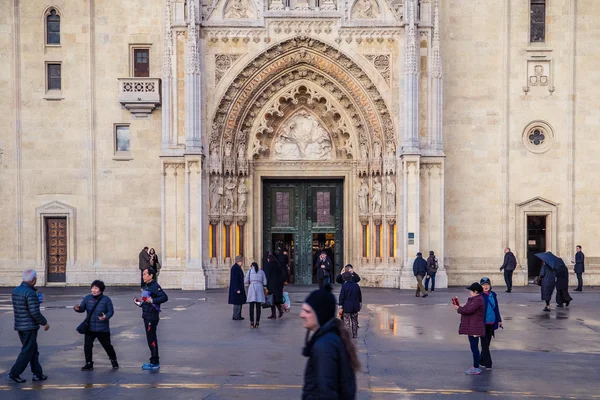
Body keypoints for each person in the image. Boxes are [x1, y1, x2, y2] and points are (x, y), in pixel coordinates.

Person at [300, 285, 359, 399]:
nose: (301, 315)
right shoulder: (332, 337)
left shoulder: (324, 346)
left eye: (307, 311)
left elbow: (326, 392)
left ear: (319, 314)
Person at [8, 269, 50, 384]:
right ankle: (14, 373)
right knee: (27, 351)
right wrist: (44, 322)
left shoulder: (16, 290)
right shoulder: (30, 293)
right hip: (29, 326)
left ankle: (38, 373)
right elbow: (34, 312)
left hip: (20, 325)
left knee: (32, 350)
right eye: (35, 278)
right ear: (33, 280)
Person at [74, 280, 118, 371]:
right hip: (90, 327)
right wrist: (77, 308)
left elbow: (111, 311)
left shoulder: (106, 300)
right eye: (92, 288)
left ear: (101, 290)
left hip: (103, 329)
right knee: (87, 346)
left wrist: (106, 317)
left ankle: (113, 360)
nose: (93, 290)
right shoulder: (87, 298)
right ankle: (89, 363)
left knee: (107, 346)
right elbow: (82, 308)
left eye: (96, 288)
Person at [138, 268, 169, 370]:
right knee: (150, 338)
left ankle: (155, 361)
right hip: (147, 315)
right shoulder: (148, 287)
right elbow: (146, 300)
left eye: (145, 274)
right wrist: (141, 302)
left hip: (152, 317)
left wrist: (152, 300)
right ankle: (153, 360)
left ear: (151, 276)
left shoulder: (155, 286)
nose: (143, 276)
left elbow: (164, 297)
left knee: (152, 338)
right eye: (143, 274)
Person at [453, 282, 486, 375]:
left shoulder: (477, 300)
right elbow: (467, 308)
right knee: (474, 347)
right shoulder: (474, 299)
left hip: (474, 327)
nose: (469, 292)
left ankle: (476, 367)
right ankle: (476, 365)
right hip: (473, 327)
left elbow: (468, 310)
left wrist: (458, 308)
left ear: (476, 291)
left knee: (474, 348)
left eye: (471, 291)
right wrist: (459, 307)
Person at [479, 277, 502, 370]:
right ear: (481, 286)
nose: (486, 286)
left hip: (491, 322)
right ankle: (488, 363)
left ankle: (481, 360)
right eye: (484, 284)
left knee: (486, 344)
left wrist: (499, 320)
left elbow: (496, 309)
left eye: (487, 284)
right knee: (484, 344)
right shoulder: (479, 296)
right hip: (482, 323)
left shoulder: (493, 295)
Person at [338, 272, 362, 339]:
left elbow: (342, 297)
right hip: (355, 306)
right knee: (355, 321)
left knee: (347, 322)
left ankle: (347, 336)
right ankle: (355, 334)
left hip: (347, 307)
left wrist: (340, 305)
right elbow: (359, 295)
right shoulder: (356, 285)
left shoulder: (344, 286)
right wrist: (360, 303)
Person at [264, 251, 287, 319]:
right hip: (278, 286)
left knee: (272, 300)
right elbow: (283, 276)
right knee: (276, 300)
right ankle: (279, 311)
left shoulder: (269, 266)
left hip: (271, 286)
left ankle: (274, 314)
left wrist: (266, 285)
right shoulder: (278, 266)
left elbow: (267, 276)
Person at [245, 262, 267, 328]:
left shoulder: (249, 271)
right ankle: (257, 322)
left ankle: (251, 322)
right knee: (258, 307)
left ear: (252, 266)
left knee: (251, 306)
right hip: (259, 288)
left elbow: (246, 280)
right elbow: (265, 281)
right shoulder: (262, 272)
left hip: (252, 288)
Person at [229, 255, 247, 321]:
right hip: (237, 288)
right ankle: (236, 315)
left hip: (239, 287)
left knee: (239, 302)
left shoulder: (237, 267)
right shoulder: (235, 268)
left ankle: (238, 315)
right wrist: (237, 289)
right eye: (241, 261)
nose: (242, 263)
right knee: (237, 302)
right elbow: (235, 279)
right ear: (238, 261)